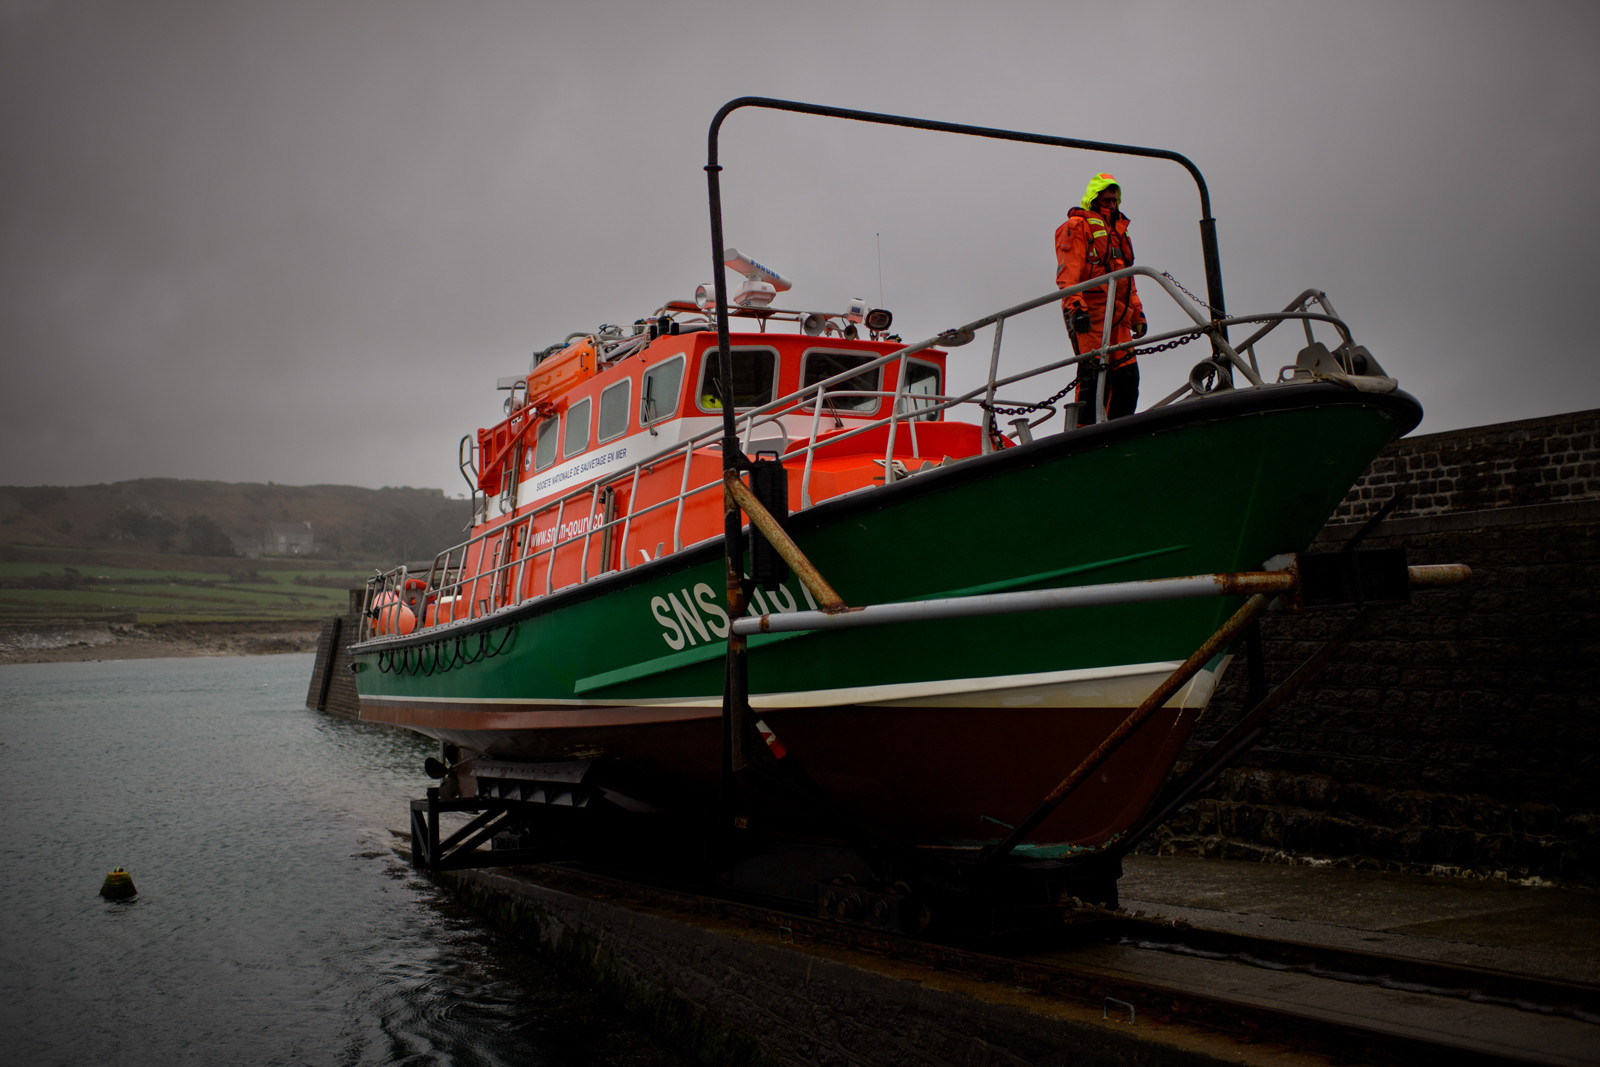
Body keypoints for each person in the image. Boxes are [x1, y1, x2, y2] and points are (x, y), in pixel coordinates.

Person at [1054, 172, 1147, 426]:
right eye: (1107, 200)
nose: (1112, 205)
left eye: (1115, 200)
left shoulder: (1120, 233)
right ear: (1094, 200)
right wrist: (1076, 308)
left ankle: (1119, 432)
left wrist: (1137, 314)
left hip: (1119, 316)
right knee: (1093, 379)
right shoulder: (1076, 227)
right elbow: (1068, 274)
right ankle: (1083, 435)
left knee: (1128, 379)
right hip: (1090, 314)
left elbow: (1128, 279)